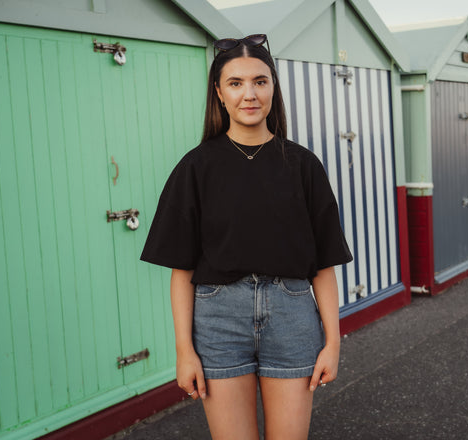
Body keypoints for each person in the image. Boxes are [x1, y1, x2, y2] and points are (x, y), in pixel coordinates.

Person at [140, 34, 353, 440]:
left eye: (260, 81)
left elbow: (323, 266)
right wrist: (185, 351)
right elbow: (181, 271)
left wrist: (333, 343)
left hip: (292, 317)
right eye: (235, 83)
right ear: (219, 93)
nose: (249, 94)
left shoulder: (304, 166)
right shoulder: (196, 167)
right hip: (218, 321)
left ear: (273, 86)